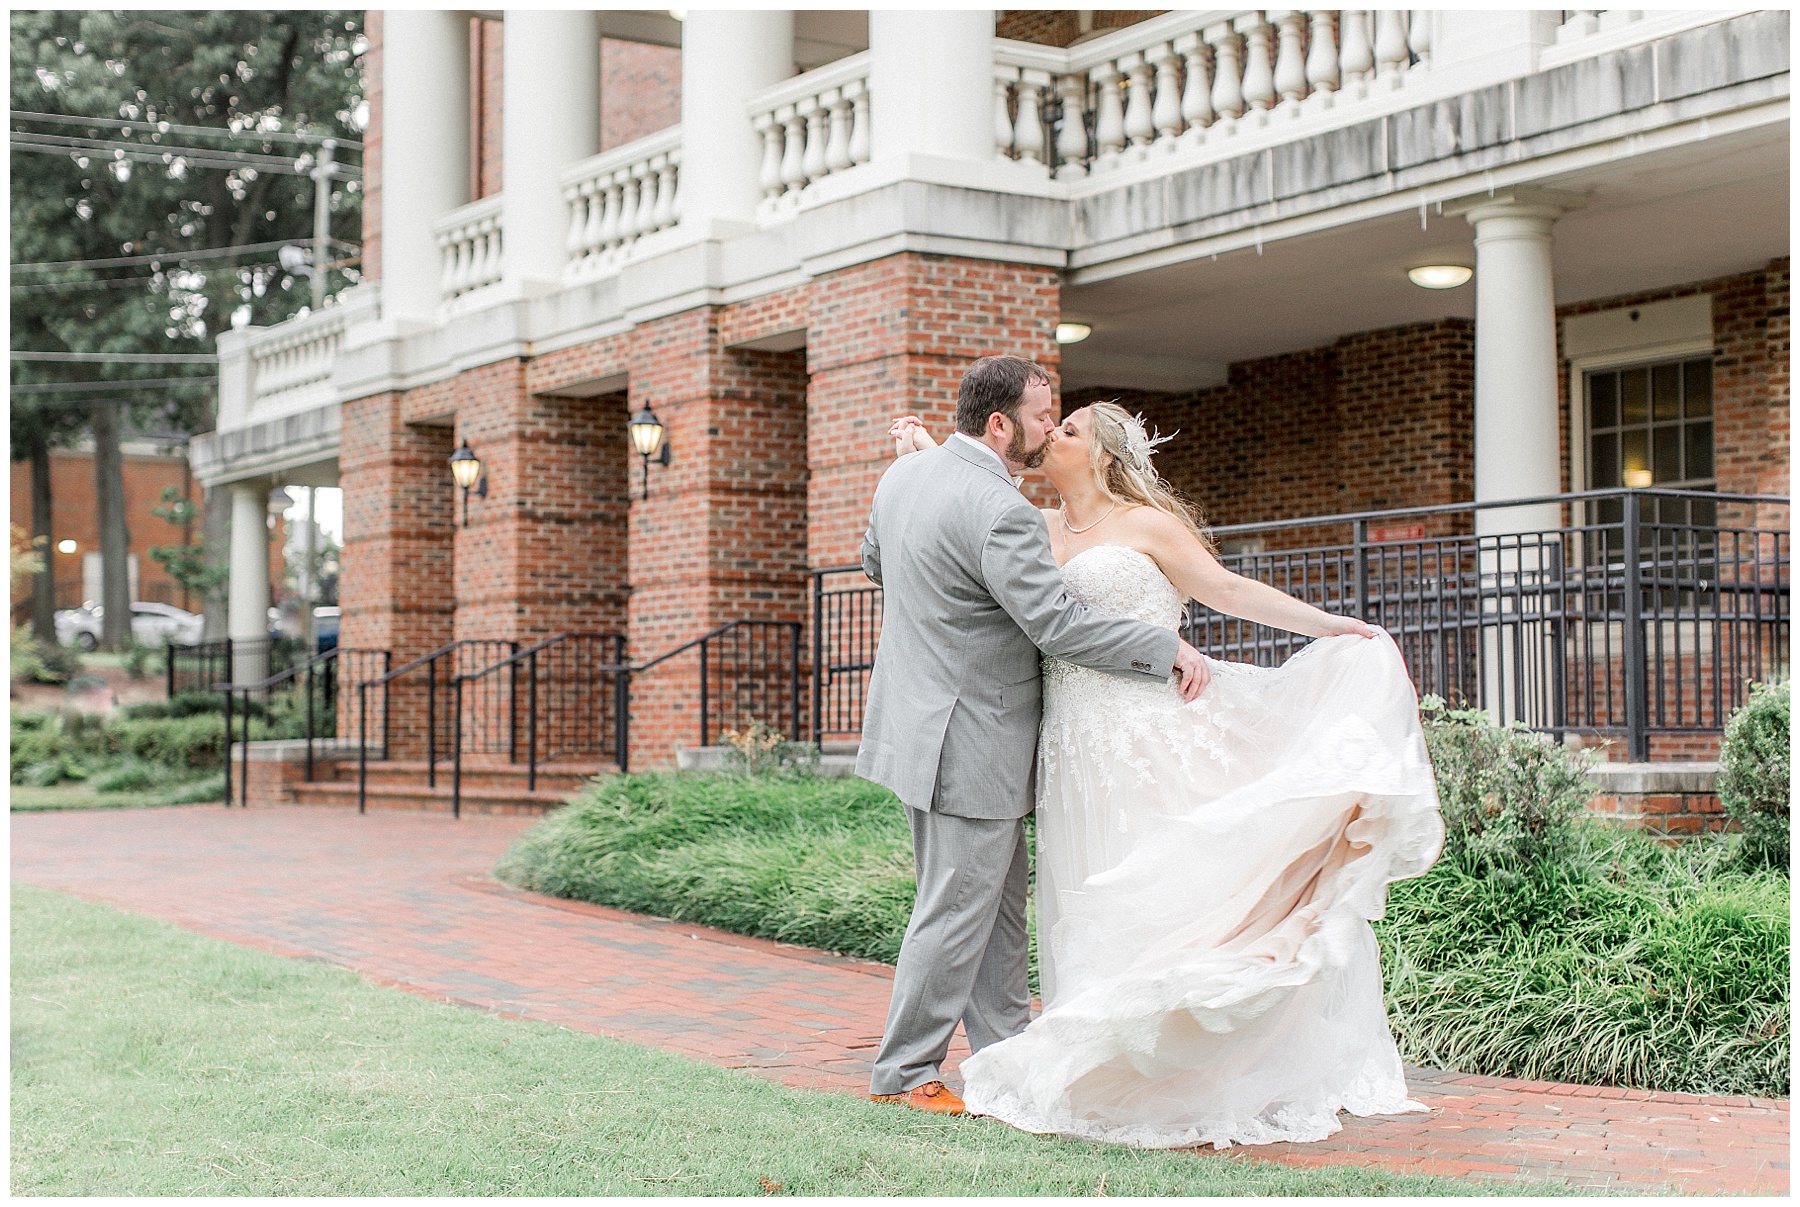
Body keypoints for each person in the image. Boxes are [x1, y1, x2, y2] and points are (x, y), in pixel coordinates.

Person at [887, 401, 1444, 1149]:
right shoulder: (1034, 525)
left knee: (1163, 887)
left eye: (1068, 428)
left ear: (1104, 456)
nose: (1051, 433)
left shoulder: (1147, 525)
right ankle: (1102, 1060)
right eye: (1049, 422)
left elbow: (1230, 592)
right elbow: (968, 496)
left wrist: (1332, 625)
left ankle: (1186, 1068)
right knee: (1087, 895)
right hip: (1069, 745)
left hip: (1144, 732)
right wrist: (929, 451)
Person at [857, 357, 1212, 1116]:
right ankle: (905, 1073)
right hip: (971, 736)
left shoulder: (902, 478)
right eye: (1042, 416)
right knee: (957, 909)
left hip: (918, 727)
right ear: (1000, 424)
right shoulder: (1003, 509)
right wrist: (1161, 648)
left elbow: (876, 562)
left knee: (992, 910)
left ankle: (1006, 1057)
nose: (1050, 429)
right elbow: (1056, 624)